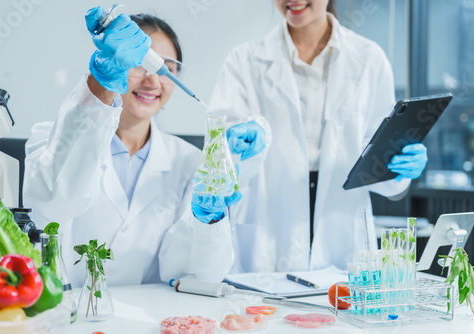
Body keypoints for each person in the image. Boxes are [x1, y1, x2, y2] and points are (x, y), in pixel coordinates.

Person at [23, 7, 241, 287]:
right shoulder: (50, 138)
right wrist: (100, 82)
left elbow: (193, 276)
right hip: (69, 317)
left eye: (167, 69)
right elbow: (54, 202)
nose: (153, 80)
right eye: (141, 64)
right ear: (116, 60)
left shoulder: (189, 162)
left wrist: (207, 224)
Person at [210, 0, 428, 273]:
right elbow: (222, 154)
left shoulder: (368, 57)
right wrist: (234, 145)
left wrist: (398, 165)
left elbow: (376, 148)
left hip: (340, 217)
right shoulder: (243, 59)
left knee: (339, 307)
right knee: (261, 311)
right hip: (269, 218)